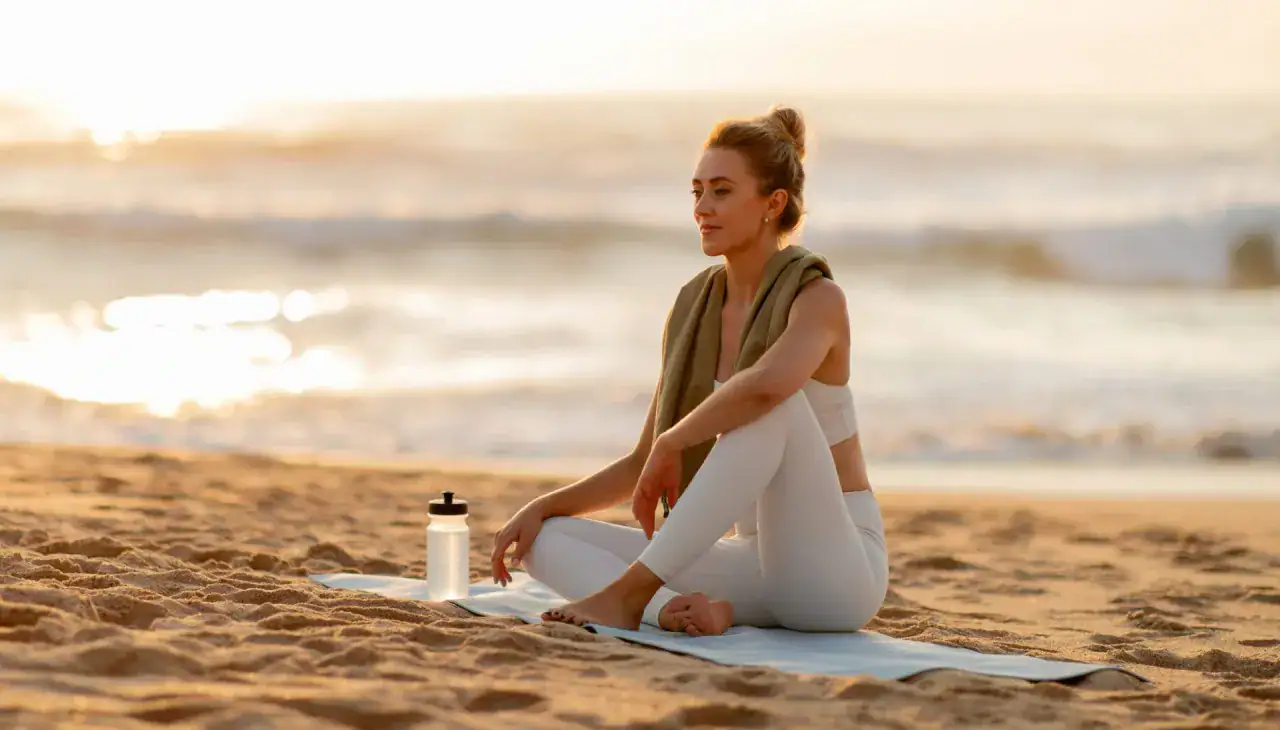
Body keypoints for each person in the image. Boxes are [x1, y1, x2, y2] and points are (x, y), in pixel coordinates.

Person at [489, 106, 889, 636]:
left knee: (776, 408)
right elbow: (642, 465)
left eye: (722, 191)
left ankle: (631, 594)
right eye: (696, 191)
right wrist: (542, 505)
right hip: (757, 566)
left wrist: (674, 440)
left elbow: (765, 390)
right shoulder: (692, 309)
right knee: (543, 540)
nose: (703, 207)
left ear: (773, 203)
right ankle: (666, 610)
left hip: (837, 576)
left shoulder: (817, 300)